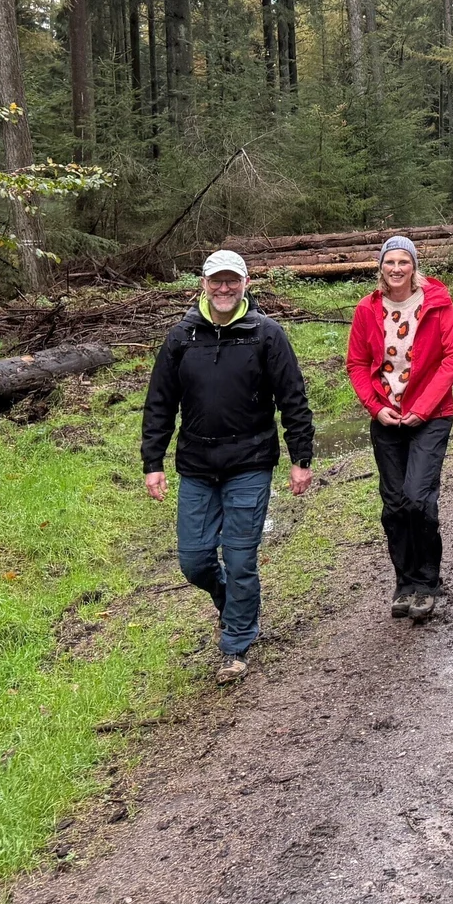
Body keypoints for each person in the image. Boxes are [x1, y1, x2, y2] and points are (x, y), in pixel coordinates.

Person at [142, 249, 314, 685]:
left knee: (239, 558)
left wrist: (301, 457)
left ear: (245, 284)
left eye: (231, 281)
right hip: (197, 466)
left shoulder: (266, 334)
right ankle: (234, 602)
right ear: (203, 284)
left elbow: (292, 397)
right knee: (194, 561)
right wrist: (153, 462)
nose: (224, 289)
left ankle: (236, 642)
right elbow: (160, 403)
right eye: (216, 281)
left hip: (250, 462)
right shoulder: (181, 337)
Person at [344, 235, 453, 624]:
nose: (396, 269)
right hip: (386, 419)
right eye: (389, 262)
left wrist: (422, 407)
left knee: (418, 498)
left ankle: (428, 582)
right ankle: (405, 582)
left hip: (430, 417)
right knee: (394, 505)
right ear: (380, 267)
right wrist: (376, 408)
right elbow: (357, 364)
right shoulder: (368, 309)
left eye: (404, 262)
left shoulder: (437, 304)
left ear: (415, 266)